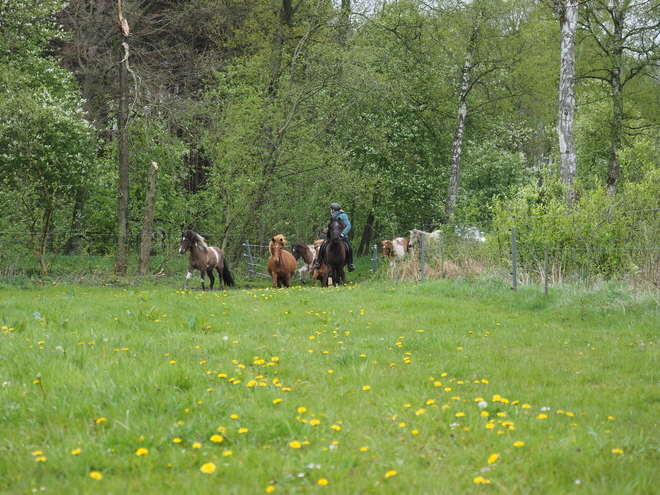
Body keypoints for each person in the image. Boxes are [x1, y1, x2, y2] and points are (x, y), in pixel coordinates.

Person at [313, 203, 356, 272]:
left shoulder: (343, 216)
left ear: (334, 210)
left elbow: (348, 226)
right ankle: (318, 263)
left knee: (349, 248)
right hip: (331, 238)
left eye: (331, 209)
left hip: (342, 237)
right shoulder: (332, 217)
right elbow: (330, 227)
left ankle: (350, 264)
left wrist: (343, 234)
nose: (330, 211)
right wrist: (325, 230)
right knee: (323, 246)